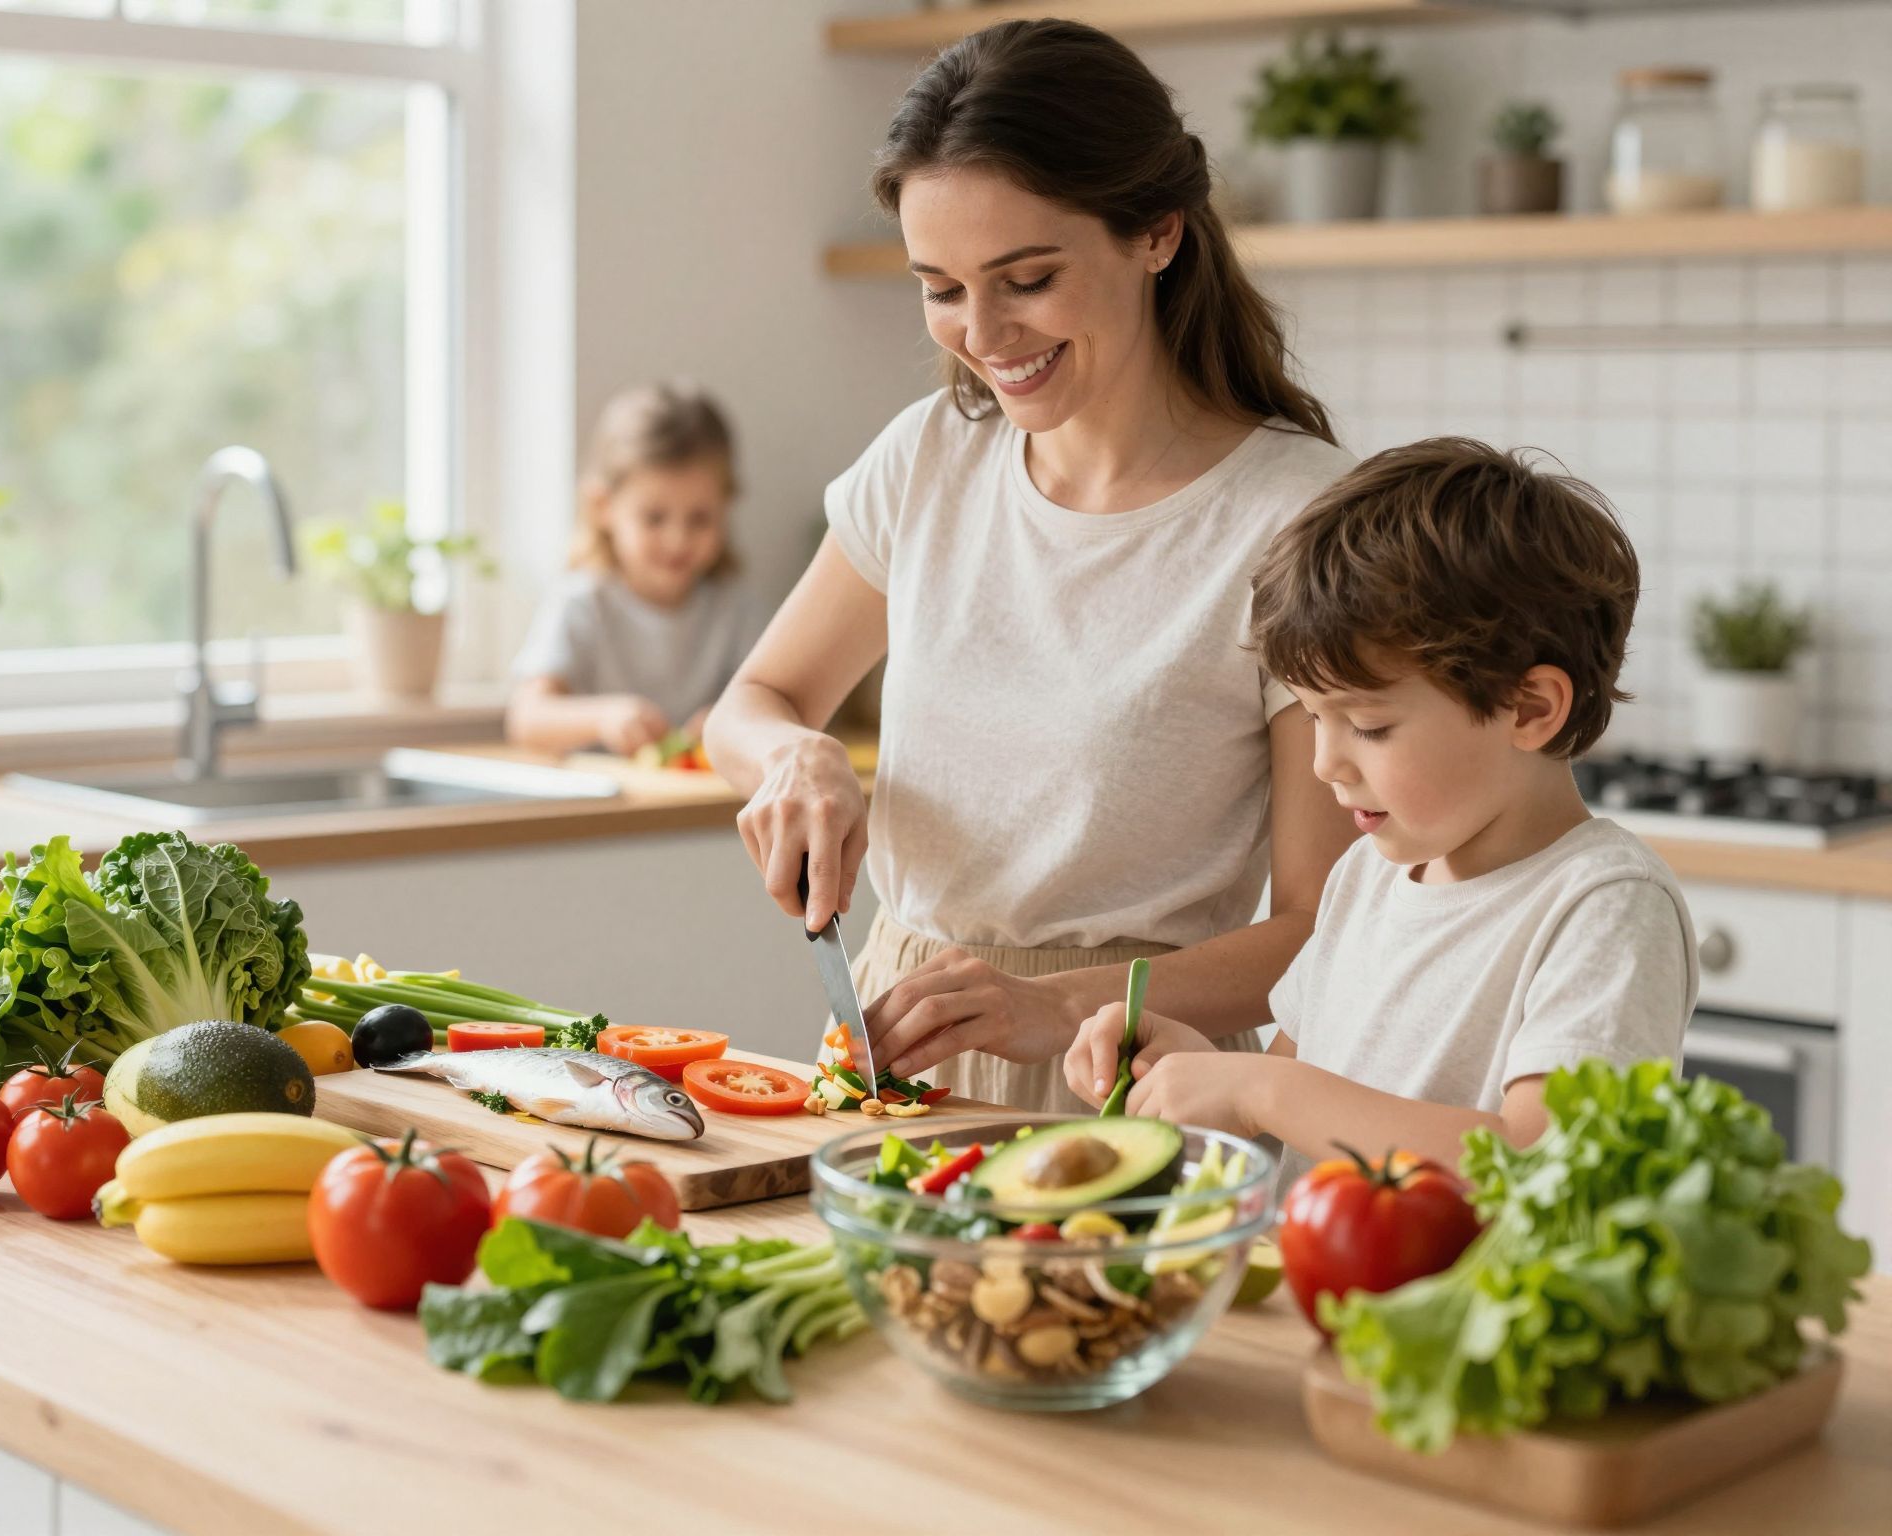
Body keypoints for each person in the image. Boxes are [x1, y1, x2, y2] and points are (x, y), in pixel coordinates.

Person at [705, 19, 1360, 1112]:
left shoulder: (1298, 518)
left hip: (1130, 1071)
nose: (982, 332)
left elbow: (1320, 928)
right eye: (941, 286)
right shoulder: (927, 456)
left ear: (1156, 233)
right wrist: (793, 759)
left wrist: (1057, 1006)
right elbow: (750, 701)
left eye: (1025, 278)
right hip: (894, 1041)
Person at [1064, 439, 1699, 1179]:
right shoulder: (1365, 877)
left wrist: (1262, 1090)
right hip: (1318, 1291)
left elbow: (1545, 1162)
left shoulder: (1605, 906)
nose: (1325, 763)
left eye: (1368, 726)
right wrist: (1192, 1080)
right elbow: (1291, 1128)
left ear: (1529, 708)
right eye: (1311, 716)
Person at [507, 383, 767, 757]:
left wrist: (733, 721)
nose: (678, 540)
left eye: (700, 518)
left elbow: (781, 706)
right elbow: (526, 719)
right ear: (603, 507)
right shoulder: (582, 601)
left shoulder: (737, 608)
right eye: (654, 518)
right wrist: (603, 717)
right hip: (605, 810)